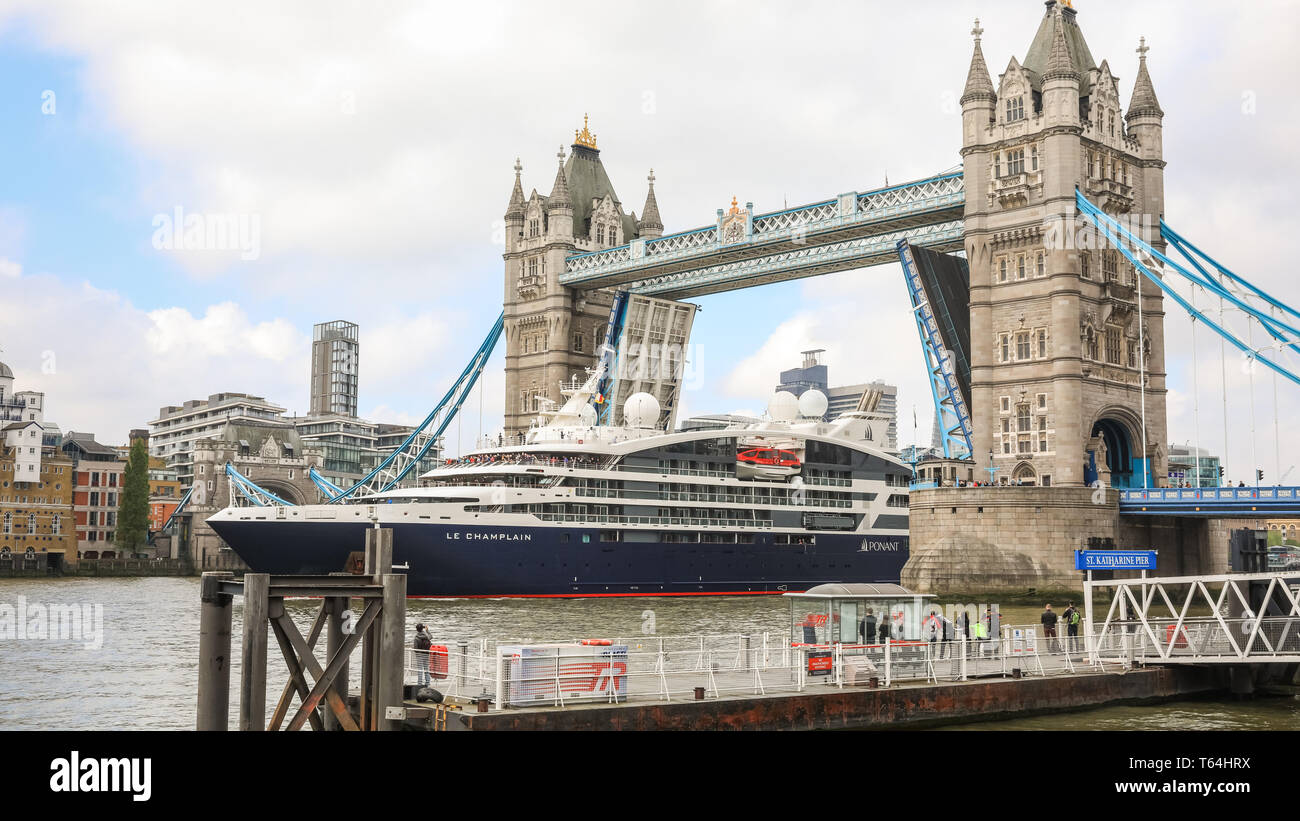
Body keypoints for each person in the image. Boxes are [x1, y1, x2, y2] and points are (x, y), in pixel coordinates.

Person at [413, 623, 433, 688]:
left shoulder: (416, 638)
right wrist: (427, 630)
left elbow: (415, 649)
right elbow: (431, 636)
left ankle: (419, 684)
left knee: (420, 670)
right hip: (426, 654)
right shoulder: (426, 636)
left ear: (417, 630)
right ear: (422, 628)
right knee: (426, 669)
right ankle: (427, 684)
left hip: (419, 655)